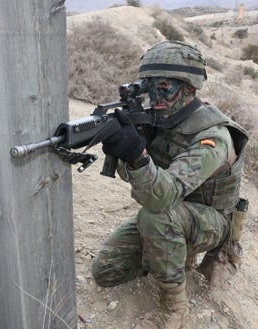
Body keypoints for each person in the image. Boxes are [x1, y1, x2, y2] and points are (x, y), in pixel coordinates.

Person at [91, 40, 249, 329]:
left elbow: (160, 200)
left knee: (155, 216)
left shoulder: (212, 137)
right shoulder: (159, 119)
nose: (155, 95)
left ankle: (174, 309)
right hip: (174, 211)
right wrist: (129, 153)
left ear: (189, 87)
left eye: (164, 86)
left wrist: (136, 156)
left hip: (211, 221)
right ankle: (172, 255)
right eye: (148, 86)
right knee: (107, 271)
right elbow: (142, 181)